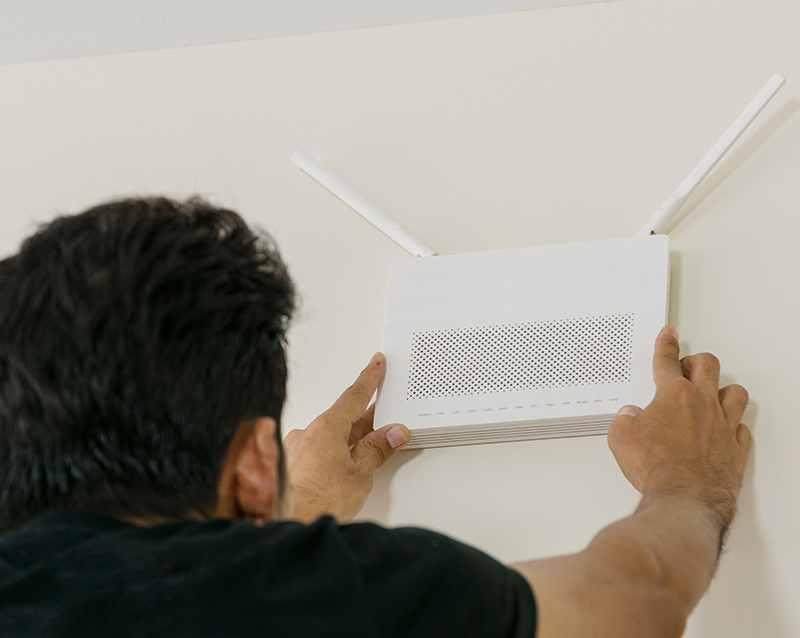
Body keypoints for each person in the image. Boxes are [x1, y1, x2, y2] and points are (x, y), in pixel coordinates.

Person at [0, 196, 750, 638]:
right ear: (260, 463)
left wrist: (286, 515)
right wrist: (689, 481)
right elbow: (634, 598)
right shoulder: (350, 593)